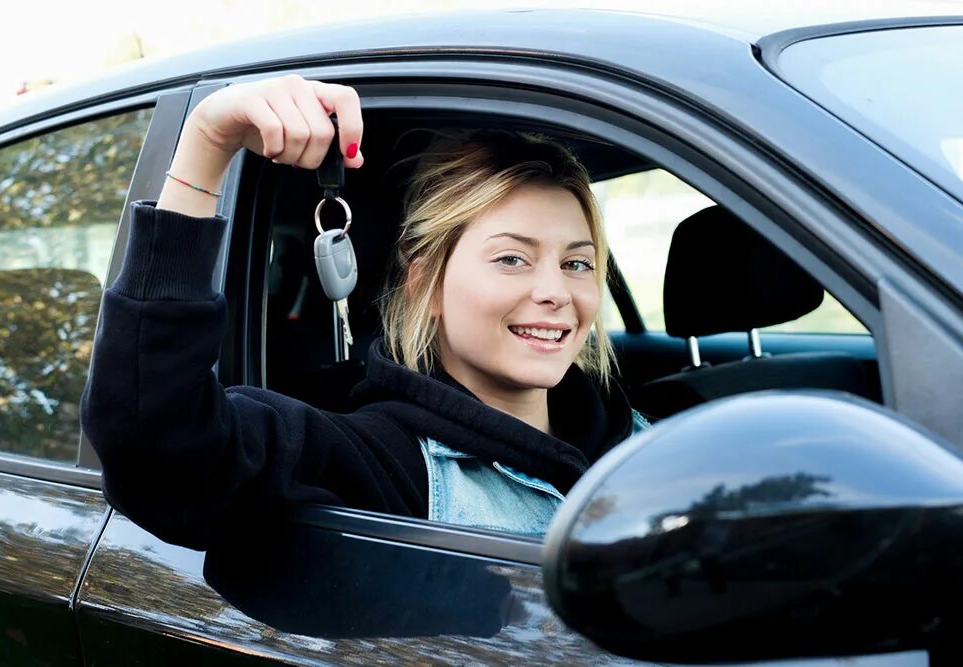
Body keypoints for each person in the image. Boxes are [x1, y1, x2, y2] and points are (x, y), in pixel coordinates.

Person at [80, 75, 649, 549]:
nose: (556, 291)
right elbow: (159, 450)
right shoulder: (384, 463)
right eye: (511, 259)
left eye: (577, 263)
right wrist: (208, 142)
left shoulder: (641, 432)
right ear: (426, 285)